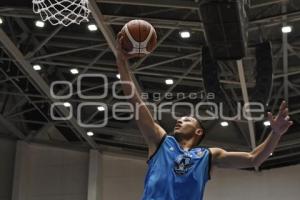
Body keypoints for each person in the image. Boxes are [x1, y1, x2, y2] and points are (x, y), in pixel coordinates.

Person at [115, 34, 293, 200]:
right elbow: (136, 103)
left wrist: (275, 133)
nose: (179, 120)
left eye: (186, 120)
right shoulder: (160, 142)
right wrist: (122, 63)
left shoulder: (208, 155)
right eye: (180, 119)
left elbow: (253, 158)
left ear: (198, 131)